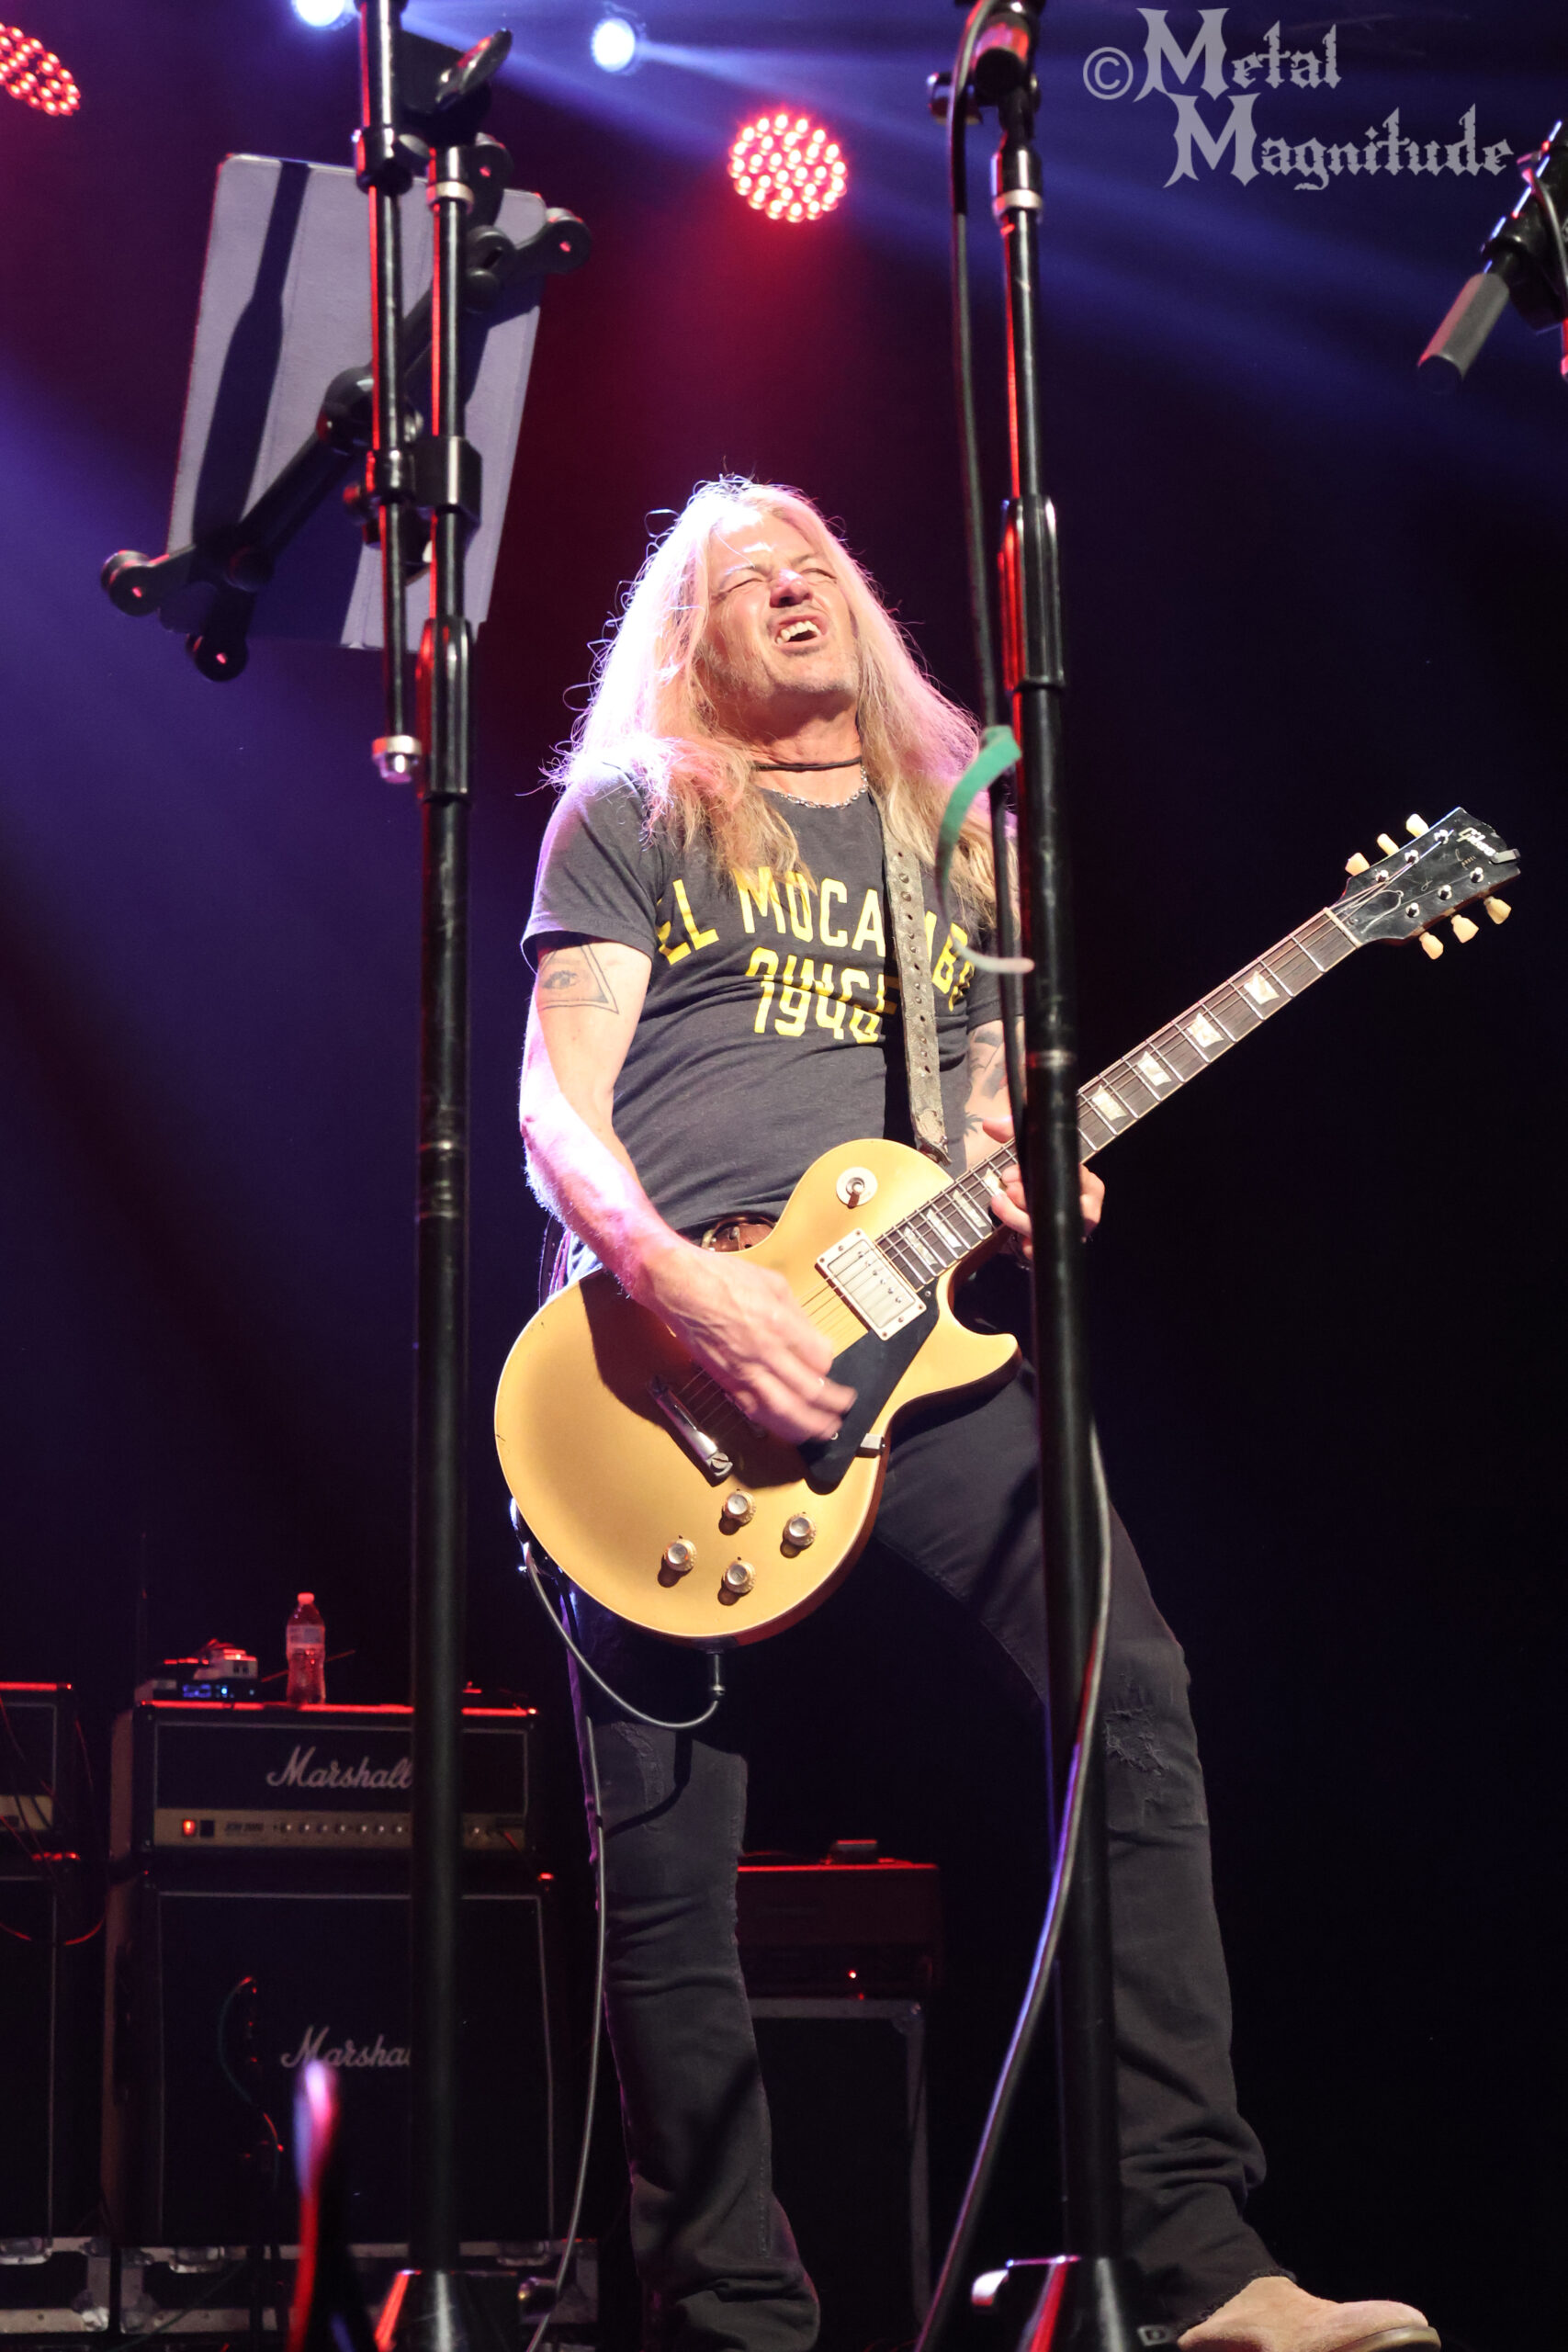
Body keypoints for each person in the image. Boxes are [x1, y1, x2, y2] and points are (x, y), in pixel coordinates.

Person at [516, 477, 1437, 2352]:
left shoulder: (966, 843)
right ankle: (730, 2316)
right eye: (741, 577)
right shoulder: (635, 814)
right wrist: (681, 1285)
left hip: (916, 1363)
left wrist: (1029, 1172)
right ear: (688, 637)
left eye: (812, 563)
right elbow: (550, 1107)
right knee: (670, 1861)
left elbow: (996, 1113)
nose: (790, 585)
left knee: (1134, 1697)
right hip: (650, 1375)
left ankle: (1197, 2264)